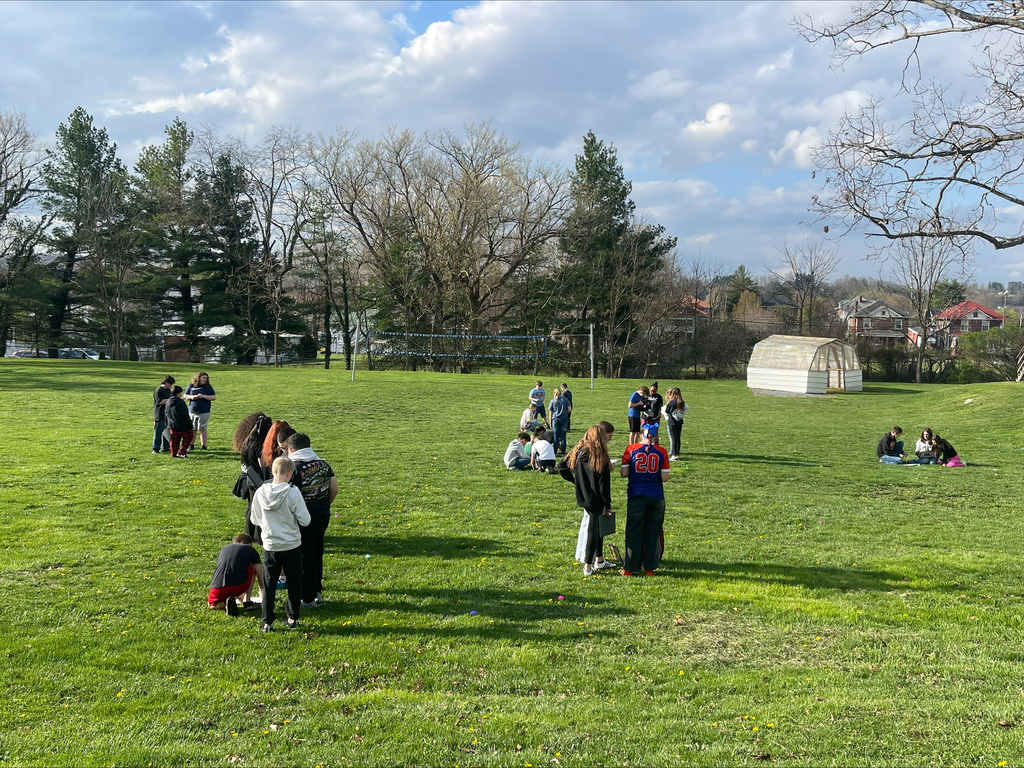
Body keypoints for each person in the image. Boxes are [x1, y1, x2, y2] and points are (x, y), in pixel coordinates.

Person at [249, 455, 310, 632]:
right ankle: (292, 618)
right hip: (291, 544)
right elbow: (305, 520)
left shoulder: (261, 492)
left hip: (270, 545)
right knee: (294, 582)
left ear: (273, 471)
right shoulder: (293, 492)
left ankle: (267, 621)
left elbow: (254, 519)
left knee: (269, 583)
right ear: (289, 473)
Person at [283, 433, 338, 609]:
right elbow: (334, 489)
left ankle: (307, 598)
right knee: (317, 551)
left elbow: (290, 495)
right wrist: (324, 505)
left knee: (305, 556)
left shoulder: (295, 467)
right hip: (323, 514)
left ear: (291, 450)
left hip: (303, 516)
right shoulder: (323, 464)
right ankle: (317, 591)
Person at [560, 424, 616, 576]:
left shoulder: (578, 451)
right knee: (594, 531)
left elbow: (562, 466)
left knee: (597, 529)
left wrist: (576, 482)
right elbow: (604, 486)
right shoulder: (601, 457)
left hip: (583, 497)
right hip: (596, 500)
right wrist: (608, 504)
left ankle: (599, 560)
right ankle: (588, 566)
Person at [620, 422, 670, 576]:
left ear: (641, 435)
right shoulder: (662, 451)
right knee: (653, 532)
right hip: (656, 496)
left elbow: (624, 474)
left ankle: (629, 568)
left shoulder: (631, 449)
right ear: (655, 436)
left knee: (634, 531)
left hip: (637, 495)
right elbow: (665, 477)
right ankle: (650, 568)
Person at [232, 414, 273, 545]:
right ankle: (258, 535)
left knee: (251, 508)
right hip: (257, 481)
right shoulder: (260, 446)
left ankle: (250, 533)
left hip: (249, 479)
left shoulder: (247, 442)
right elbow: (263, 466)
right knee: (258, 509)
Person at [207, 534, 264, 615]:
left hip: (217, 586)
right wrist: (262, 590)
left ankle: (225, 602)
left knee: (212, 605)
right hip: (239, 586)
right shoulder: (250, 550)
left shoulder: (225, 548)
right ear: (250, 544)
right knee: (252, 566)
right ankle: (247, 601)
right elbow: (259, 571)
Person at [184, 371, 216, 450]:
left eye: (206, 378)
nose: (205, 379)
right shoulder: (191, 386)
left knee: (202, 429)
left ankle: (203, 446)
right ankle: (191, 444)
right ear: (198, 378)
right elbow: (185, 395)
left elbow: (213, 397)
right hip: (192, 411)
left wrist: (203, 396)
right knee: (193, 429)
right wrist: (192, 397)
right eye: (203, 378)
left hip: (204, 411)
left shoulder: (208, 387)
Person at [164, 386, 194, 459]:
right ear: (178, 393)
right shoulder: (180, 402)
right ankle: (181, 452)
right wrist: (190, 423)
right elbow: (185, 414)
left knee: (174, 439)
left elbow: (166, 413)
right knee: (188, 437)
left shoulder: (168, 401)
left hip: (172, 424)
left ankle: (173, 452)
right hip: (182, 425)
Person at [663, 387, 687, 461]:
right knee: (678, 439)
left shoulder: (671, 402)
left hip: (672, 423)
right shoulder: (682, 402)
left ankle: (674, 455)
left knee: (673, 439)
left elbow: (667, 411)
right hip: (679, 422)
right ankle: (677, 454)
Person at [152, 375, 175, 454]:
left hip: (167, 414)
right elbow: (160, 402)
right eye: (170, 384)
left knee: (167, 431)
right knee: (158, 431)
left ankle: (165, 447)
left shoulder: (168, 391)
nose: (170, 386)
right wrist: (170, 399)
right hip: (159, 413)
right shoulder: (158, 390)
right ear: (165, 382)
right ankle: (155, 448)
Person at [549, 388, 570, 456]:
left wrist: (550, 423)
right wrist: (565, 412)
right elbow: (569, 409)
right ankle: (563, 452)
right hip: (563, 419)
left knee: (556, 437)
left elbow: (550, 413)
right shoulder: (565, 400)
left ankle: (555, 452)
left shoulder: (553, 401)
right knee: (563, 436)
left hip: (555, 419)